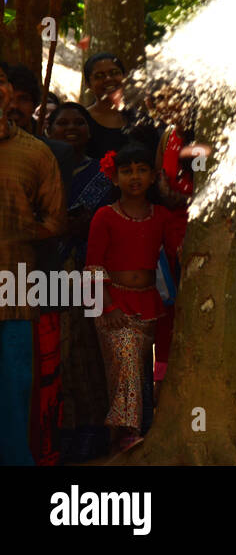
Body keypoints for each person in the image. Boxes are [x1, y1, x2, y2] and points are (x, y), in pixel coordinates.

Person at [85, 143, 183, 455]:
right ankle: (125, 433)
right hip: (113, 304)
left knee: (139, 370)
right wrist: (108, 306)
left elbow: (178, 249)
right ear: (114, 178)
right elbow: (93, 266)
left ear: (153, 176)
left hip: (149, 303)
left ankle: (138, 433)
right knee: (125, 365)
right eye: (127, 171)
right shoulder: (104, 216)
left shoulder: (162, 216)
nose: (135, 177)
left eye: (142, 170)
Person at [0, 65, 63, 466]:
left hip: (14, 296)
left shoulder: (36, 153)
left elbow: (54, 221)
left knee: (12, 393)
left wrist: (20, 229)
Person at [45, 101, 114, 462]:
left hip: (91, 270)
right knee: (60, 349)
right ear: (49, 129)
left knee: (91, 349)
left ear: (89, 131)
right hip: (48, 271)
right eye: (62, 122)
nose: (71, 128)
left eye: (79, 122)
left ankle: (93, 430)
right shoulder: (43, 167)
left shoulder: (103, 175)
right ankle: (62, 431)